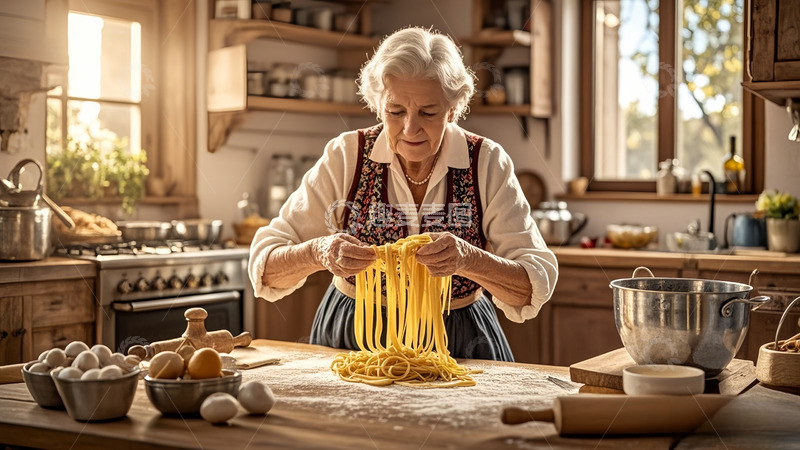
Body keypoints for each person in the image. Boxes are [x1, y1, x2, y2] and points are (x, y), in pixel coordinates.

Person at [248, 27, 558, 362]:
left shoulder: (486, 161)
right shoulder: (346, 155)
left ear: (453, 108)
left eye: (428, 112)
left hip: (459, 337)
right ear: (377, 104)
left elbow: (532, 284)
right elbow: (266, 267)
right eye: (396, 111)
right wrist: (319, 252)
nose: (410, 128)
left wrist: (469, 260)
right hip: (353, 338)